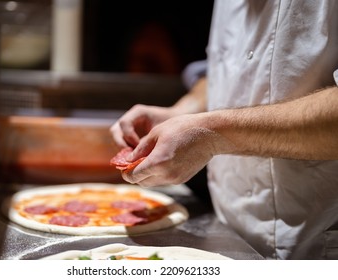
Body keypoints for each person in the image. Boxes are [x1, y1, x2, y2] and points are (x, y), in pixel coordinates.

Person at [110, 0, 338, 260]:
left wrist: (213, 134)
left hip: (317, 246)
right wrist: (183, 110)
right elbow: (224, 71)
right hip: (226, 236)